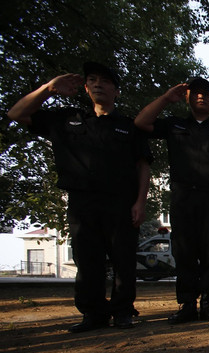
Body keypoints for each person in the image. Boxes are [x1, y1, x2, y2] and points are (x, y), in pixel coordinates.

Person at [7, 62, 151, 332]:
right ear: (85, 88)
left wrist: (140, 202)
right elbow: (16, 113)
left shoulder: (129, 126)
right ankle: (93, 313)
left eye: (105, 81)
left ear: (116, 91)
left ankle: (122, 311)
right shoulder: (66, 119)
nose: (98, 84)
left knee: (123, 259)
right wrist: (48, 89)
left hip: (121, 201)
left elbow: (143, 165)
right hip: (81, 201)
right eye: (93, 80)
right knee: (87, 259)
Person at [135, 77, 209, 324]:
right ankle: (187, 305)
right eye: (196, 93)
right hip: (183, 196)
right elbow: (141, 122)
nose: (201, 96)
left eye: (206, 93)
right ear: (187, 98)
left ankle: (207, 304)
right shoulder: (174, 125)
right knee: (184, 251)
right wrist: (165, 98)